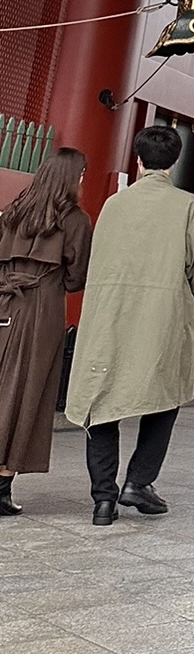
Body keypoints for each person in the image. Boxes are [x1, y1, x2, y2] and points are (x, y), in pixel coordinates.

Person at [66, 124, 194, 525]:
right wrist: (183, 305)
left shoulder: (114, 204)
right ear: (176, 160)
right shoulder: (189, 206)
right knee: (164, 396)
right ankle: (138, 482)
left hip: (109, 314)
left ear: (138, 158)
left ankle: (102, 499)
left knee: (101, 400)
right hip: (163, 314)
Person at [0, 148, 92, 515]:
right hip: (41, 307)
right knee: (28, 390)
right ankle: (3, 483)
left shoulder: (11, 213)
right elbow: (76, 277)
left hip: (4, 300)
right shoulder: (75, 220)